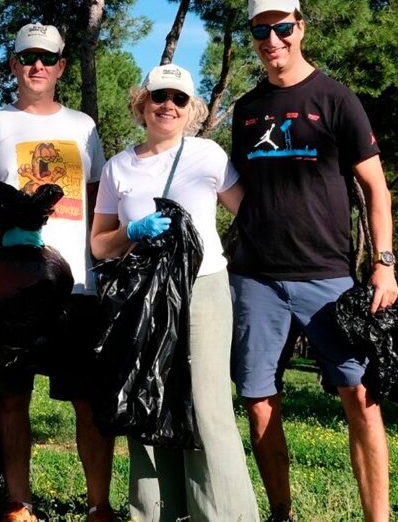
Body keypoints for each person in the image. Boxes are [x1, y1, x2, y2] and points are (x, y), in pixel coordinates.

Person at [229, 0, 398, 522]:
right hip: (255, 278)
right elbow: (237, 189)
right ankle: (281, 512)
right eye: (261, 29)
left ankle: (379, 517)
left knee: (361, 401)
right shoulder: (246, 110)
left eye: (282, 27)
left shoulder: (336, 98)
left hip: (329, 278)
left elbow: (377, 188)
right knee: (258, 401)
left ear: (300, 27)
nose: (272, 39)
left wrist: (385, 264)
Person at [0, 23, 116, 522]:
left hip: (77, 286)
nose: (37, 65)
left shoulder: (84, 126)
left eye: (47, 57)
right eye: (27, 57)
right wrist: (3, 240)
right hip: (7, 288)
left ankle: (98, 506)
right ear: (13, 64)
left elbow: (99, 202)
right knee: (10, 399)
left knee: (87, 402)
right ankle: (19, 503)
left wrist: (106, 256)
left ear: (62, 66)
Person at [90, 64, 259, 522]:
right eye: (159, 96)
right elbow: (99, 244)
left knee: (206, 405)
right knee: (145, 397)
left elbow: (250, 214)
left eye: (179, 99)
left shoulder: (207, 155)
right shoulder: (117, 167)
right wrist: (131, 230)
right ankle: (155, 513)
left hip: (202, 287)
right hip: (140, 296)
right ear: (142, 104)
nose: (168, 105)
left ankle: (223, 515)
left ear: (191, 111)